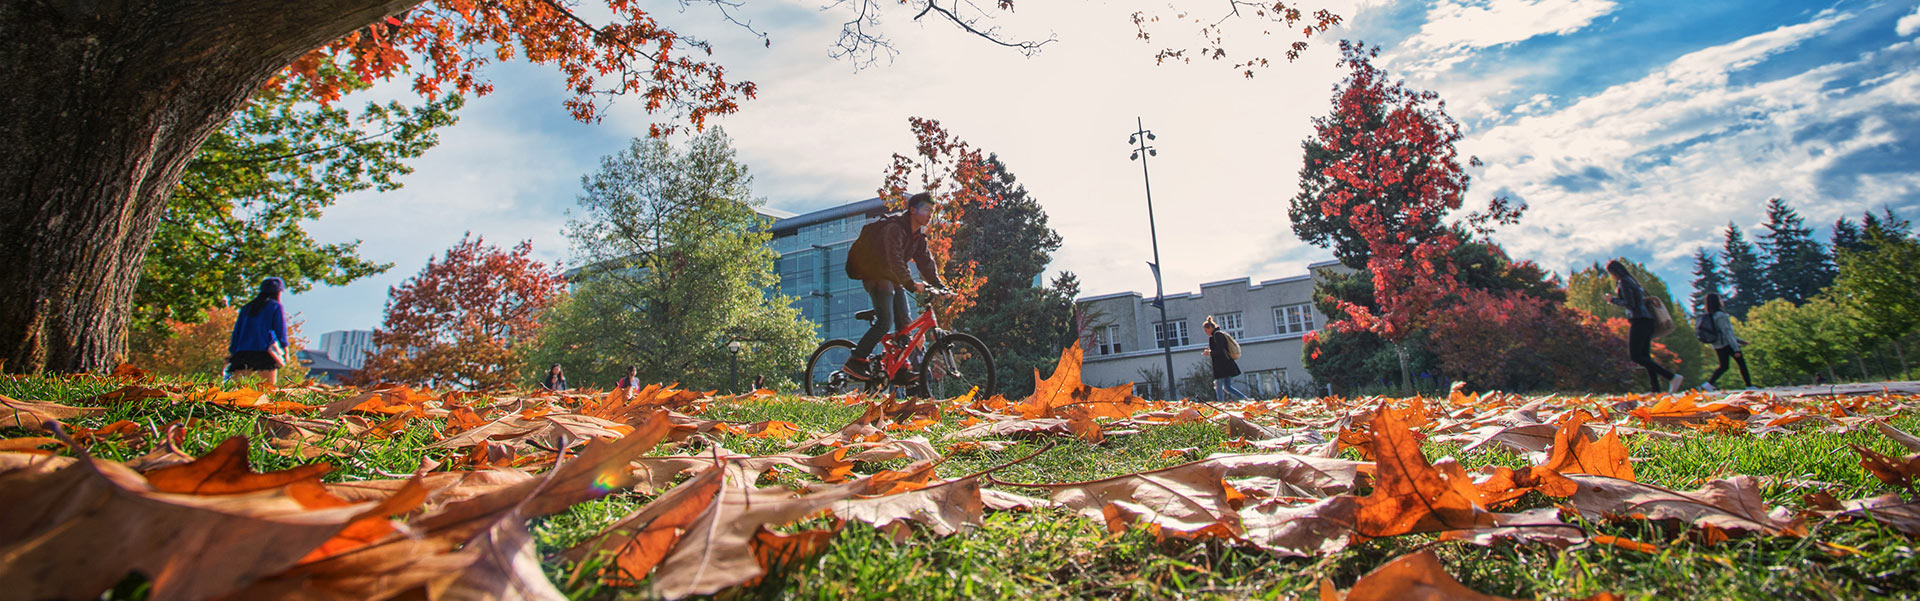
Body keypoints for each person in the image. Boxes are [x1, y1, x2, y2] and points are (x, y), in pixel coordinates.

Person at [841, 192, 947, 380]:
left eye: (932, 211)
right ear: (913, 210)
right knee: (885, 320)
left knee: (905, 323)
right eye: (926, 210)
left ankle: (900, 368)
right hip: (874, 273)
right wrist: (911, 284)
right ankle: (856, 360)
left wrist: (939, 285)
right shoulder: (894, 228)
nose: (930, 215)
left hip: (892, 278)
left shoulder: (918, 237)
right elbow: (894, 259)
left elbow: (925, 262)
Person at [1604, 260, 1683, 393]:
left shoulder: (1623, 282)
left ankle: (1671, 377)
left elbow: (1630, 304)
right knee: (1645, 355)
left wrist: (1612, 300)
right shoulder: (1632, 281)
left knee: (1636, 356)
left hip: (1639, 319)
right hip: (1647, 319)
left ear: (1614, 272)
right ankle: (1655, 389)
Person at [227, 277, 290, 385]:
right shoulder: (275, 306)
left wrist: (233, 351)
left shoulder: (247, 307)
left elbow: (237, 331)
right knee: (267, 389)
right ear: (278, 293)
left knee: (236, 390)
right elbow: (280, 330)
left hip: (242, 353)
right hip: (264, 352)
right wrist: (285, 350)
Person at [1700, 294, 1752, 391]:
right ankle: (1749, 385)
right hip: (1727, 344)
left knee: (1723, 366)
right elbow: (1727, 332)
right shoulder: (1721, 316)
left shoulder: (1710, 316)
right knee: (1741, 364)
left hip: (1717, 345)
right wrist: (1736, 348)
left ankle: (1708, 384)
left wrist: (1739, 340)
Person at [1200, 317, 1250, 401]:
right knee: (1228, 386)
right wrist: (1210, 351)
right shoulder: (1218, 335)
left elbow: (1220, 350)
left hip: (1222, 365)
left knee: (1219, 386)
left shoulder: (1217, 335)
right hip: (1227, 364)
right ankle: (1245, 398)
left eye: (1206, 330)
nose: (1206, 333)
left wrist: (1210, 352)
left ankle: (1221, 403)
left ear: (1210, 328)